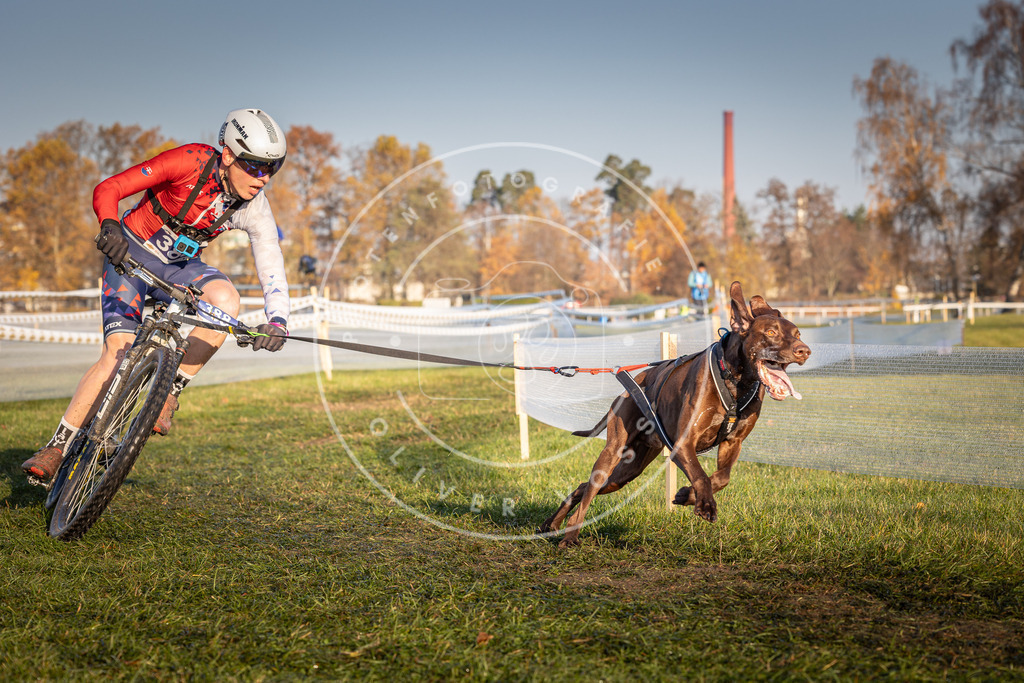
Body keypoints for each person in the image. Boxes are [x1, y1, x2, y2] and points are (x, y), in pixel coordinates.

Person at [23, 109, 292, 482]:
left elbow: (270, 261)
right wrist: (110, 225)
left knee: (227, 302)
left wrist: (277, 319)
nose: (262, 179)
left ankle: (169, 389)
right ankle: (58, 445)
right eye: (255, 167)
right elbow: (109, 189)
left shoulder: (253, 206)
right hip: (130, 254)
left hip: (180, 267)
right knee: (118, 352)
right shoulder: (189, 161)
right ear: (228, 154)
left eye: (272, 169)